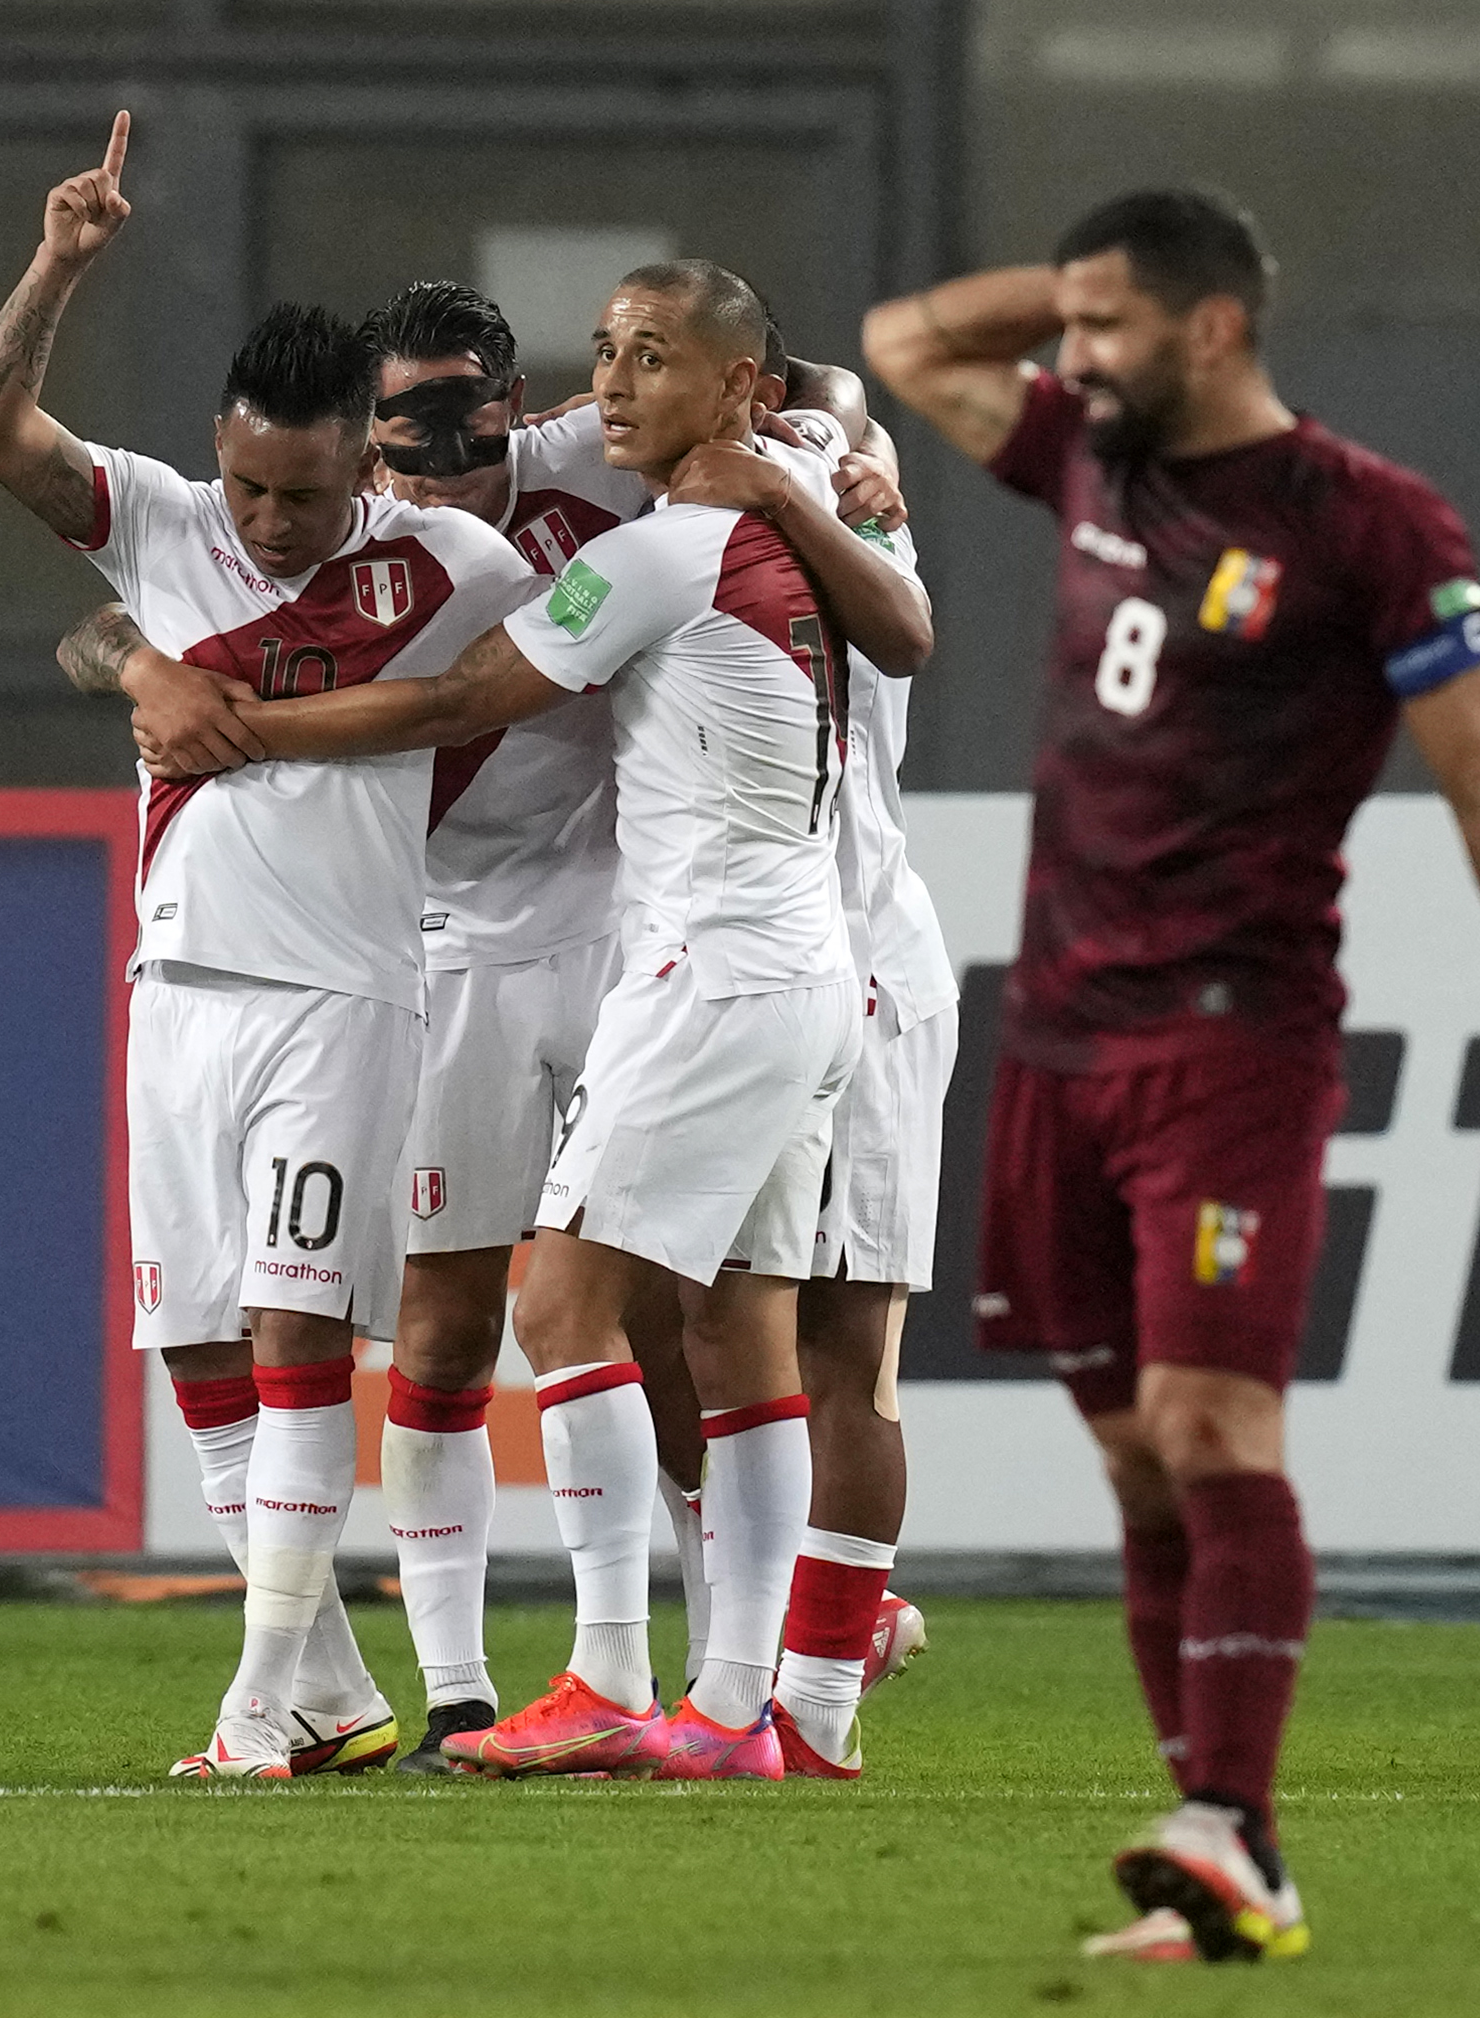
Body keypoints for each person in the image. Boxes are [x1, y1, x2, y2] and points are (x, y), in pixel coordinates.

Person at [863, 187, 1480, 1957]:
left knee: (1218, 1427)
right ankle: (1226, 1845)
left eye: (1115, 325)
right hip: (1056, 1032)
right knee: (1140, 1460)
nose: (1073, 354)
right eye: (1069, 325)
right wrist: (1072, 298)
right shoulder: (1089, 458)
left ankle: (1230, 1824)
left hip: (1234, 1033)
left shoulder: (1369, 525)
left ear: (1216, 329)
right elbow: (913, 339)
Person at [136, 259, 929, 1781]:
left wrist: (231, 728)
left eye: (648, 361)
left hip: (673, 956)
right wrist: (814, 460)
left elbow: (461, 701)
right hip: (723, 960)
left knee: (579, 1307)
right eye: (608, 356)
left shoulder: (644, 539)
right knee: (675, 1330)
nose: (615, 385)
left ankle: (626, 1676)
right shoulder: (745, 507)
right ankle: (715, 1708)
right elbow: (885, 588)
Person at [0, 120, 536, 1779]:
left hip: (346, 995)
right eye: (248, 486)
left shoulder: (455, 562)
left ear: (373, 460)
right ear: (216, 454)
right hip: (178, 986)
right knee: (199, 1346)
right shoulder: (158, 518)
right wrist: (61, 262)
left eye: (305, 489)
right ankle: (337, 1692)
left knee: (295, 1339)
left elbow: (510, 682)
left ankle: (249, 1711)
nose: (271, 522)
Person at [663, 337, 949, 1780]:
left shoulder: (848, 532)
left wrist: (813, 476)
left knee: (850, 1349)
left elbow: (903, 627)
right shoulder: (696, 531)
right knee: (668, 1313)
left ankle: (815, 1702)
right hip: (730, 972)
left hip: (863, 971)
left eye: (840, 436)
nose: (811, 445)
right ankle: (763, 1637)